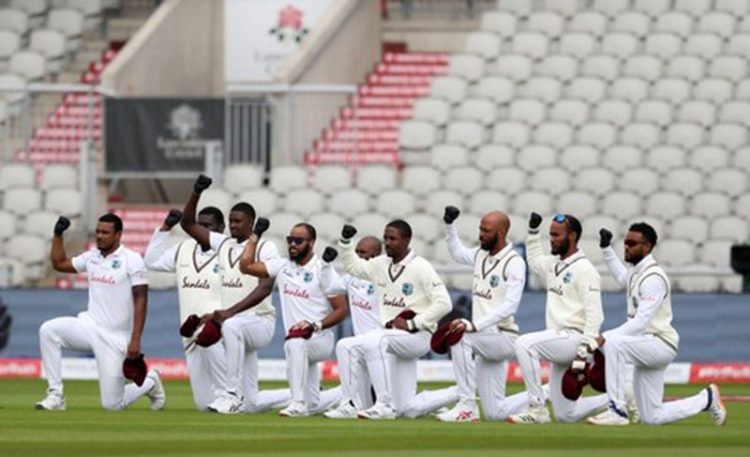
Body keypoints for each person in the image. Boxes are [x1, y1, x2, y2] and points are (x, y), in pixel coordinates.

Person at [587, 223, 727, 426]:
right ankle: (707, 398)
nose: (626, 247)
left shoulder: (653, 278)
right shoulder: (637, 272)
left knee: (613, 343)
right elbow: (620, 277)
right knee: (652, 417)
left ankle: (617, 410)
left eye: (632, 243)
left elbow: (642, 322)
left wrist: (606, 336)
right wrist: (606, 249)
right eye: (626, 242)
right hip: (646, 345)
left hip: (660, 343)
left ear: (648, 247)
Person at [180, 175, 289, 414]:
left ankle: (228, 394)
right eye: (230, 221)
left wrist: (228, 313)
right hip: (237, 326)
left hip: (260, 322)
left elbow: (265, 287)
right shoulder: (223, 244)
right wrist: (196, 192)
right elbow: (187, 224)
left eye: (238, 221)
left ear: (251, 223)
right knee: (251, 403)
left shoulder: (265, 247)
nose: (233, 225)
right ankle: (313, 394)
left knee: (226, 328)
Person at [36, 214, 166, 411]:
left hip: (116, 337)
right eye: (98, 231)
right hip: (89, 326)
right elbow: (59, 263)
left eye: (106, 232)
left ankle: (151, 382)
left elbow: (141, 299)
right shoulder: (91, 257)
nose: (100, 236)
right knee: (48, 330)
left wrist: (135, 339)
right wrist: (57, 235)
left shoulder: (132, 259)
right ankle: (56, 395)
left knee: (113, 405)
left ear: (118, 235)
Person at [338, 219, 458, 420]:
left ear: (407, 240)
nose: (388, 243)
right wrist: (345, 242)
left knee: (375, 339)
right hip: (394, 337)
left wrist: (413, 323)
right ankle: (460, 391)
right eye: (385, 238)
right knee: (345, 346)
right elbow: (352, 266)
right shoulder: (379, 264)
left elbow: (445, 303)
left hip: (418, 336)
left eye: (393, 238)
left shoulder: (421, 266)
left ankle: (383, 405)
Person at [437, 206, 540, 422]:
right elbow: (457, 253)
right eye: (480, 229)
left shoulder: (515, 262)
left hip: (504, 336)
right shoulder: (480, 254)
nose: (481, 234)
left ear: (501, 232)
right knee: (495, 413)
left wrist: (475, 325)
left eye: (486, 230)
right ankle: (547, 392)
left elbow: (510, 307)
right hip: (485, 339)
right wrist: (449, 225)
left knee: (460, 336)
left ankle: (466, 407)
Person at [508, 213, 608, 424]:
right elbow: (534, 262)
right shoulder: (554, 263)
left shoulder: (585, 270)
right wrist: (533, 233)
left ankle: (537, 409)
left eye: (556, 235)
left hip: (575, 339)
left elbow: (595, 315)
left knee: (524, 344)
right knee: (565, 415)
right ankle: (618, 398)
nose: (552, 239)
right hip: (559, 340)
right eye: (550, 234)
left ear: (572, 236)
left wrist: (583, 351)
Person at [240, 220, 346, 417]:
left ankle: (296, 403)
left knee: (294, 342)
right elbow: (245, 266)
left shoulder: (323, 270)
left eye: (298, 240)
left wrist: (315, 326)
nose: (293, 245)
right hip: (299, 339)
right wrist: (255, 236)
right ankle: (350, 392)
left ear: (312, 243)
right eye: (290, 240)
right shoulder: (282, 266)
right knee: (314, 403)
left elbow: (341, 310)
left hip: (320, 338)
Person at [144, 207, 227, 411]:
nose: (202, 230)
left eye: (209, 226)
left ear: (221, 228)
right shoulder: (184, 248)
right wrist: (166, 228)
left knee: (229, 398)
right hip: (189, 334)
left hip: (219, 332)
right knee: (204, 405)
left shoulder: (229, 251)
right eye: (199, 225)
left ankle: (230, 396)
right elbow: (151, 261)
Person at [319, 237, 382, 419]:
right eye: (357, 252)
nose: (358, 256)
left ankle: (454, 394)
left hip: (380, 344)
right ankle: (350, 404)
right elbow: (329, 288)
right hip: (360, 343)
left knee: (402, 405)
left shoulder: (384, 276)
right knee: (366, 406)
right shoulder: (351, 277)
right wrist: (326, 265)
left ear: (376, 256)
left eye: (363, 253)